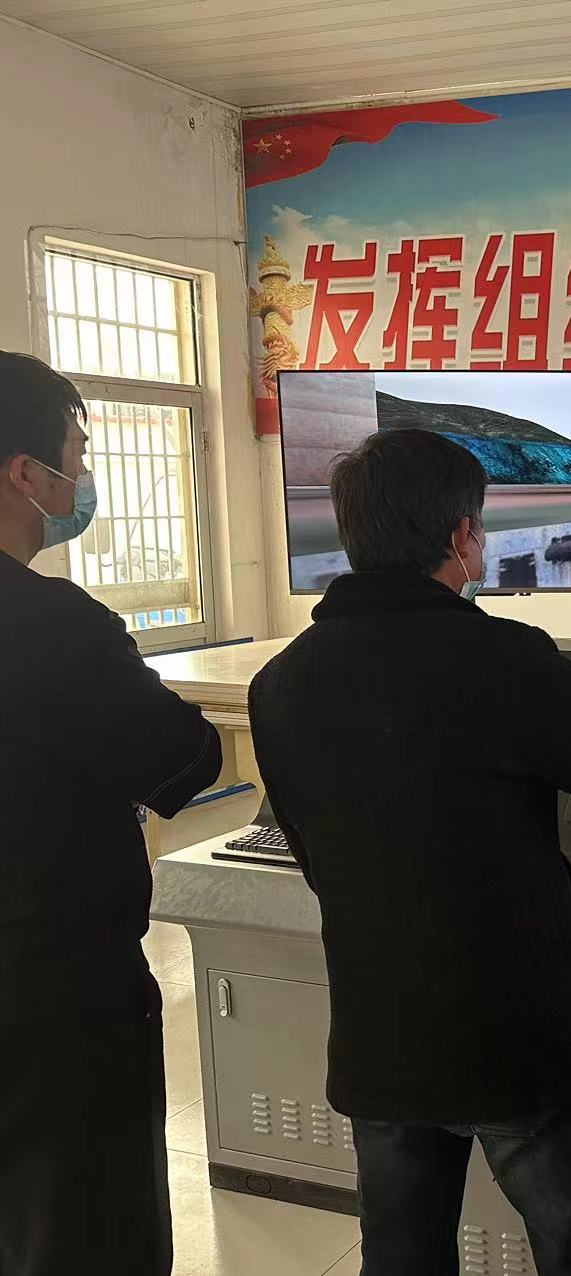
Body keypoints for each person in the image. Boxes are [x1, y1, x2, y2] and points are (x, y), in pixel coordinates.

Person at [248, 427, 571, 1276]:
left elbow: (316, 851)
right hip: (521, 1038)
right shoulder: (501, 657)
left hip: (383, 1036)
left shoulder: (279, 684)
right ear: (462, 536)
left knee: (401, 1256)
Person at [0, 352, 223, 1274]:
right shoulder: (51, 626)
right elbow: (186, 758)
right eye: (76, 454)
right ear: (25, 473)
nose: (82, 474)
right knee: (86, 1232)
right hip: (55, 1002)